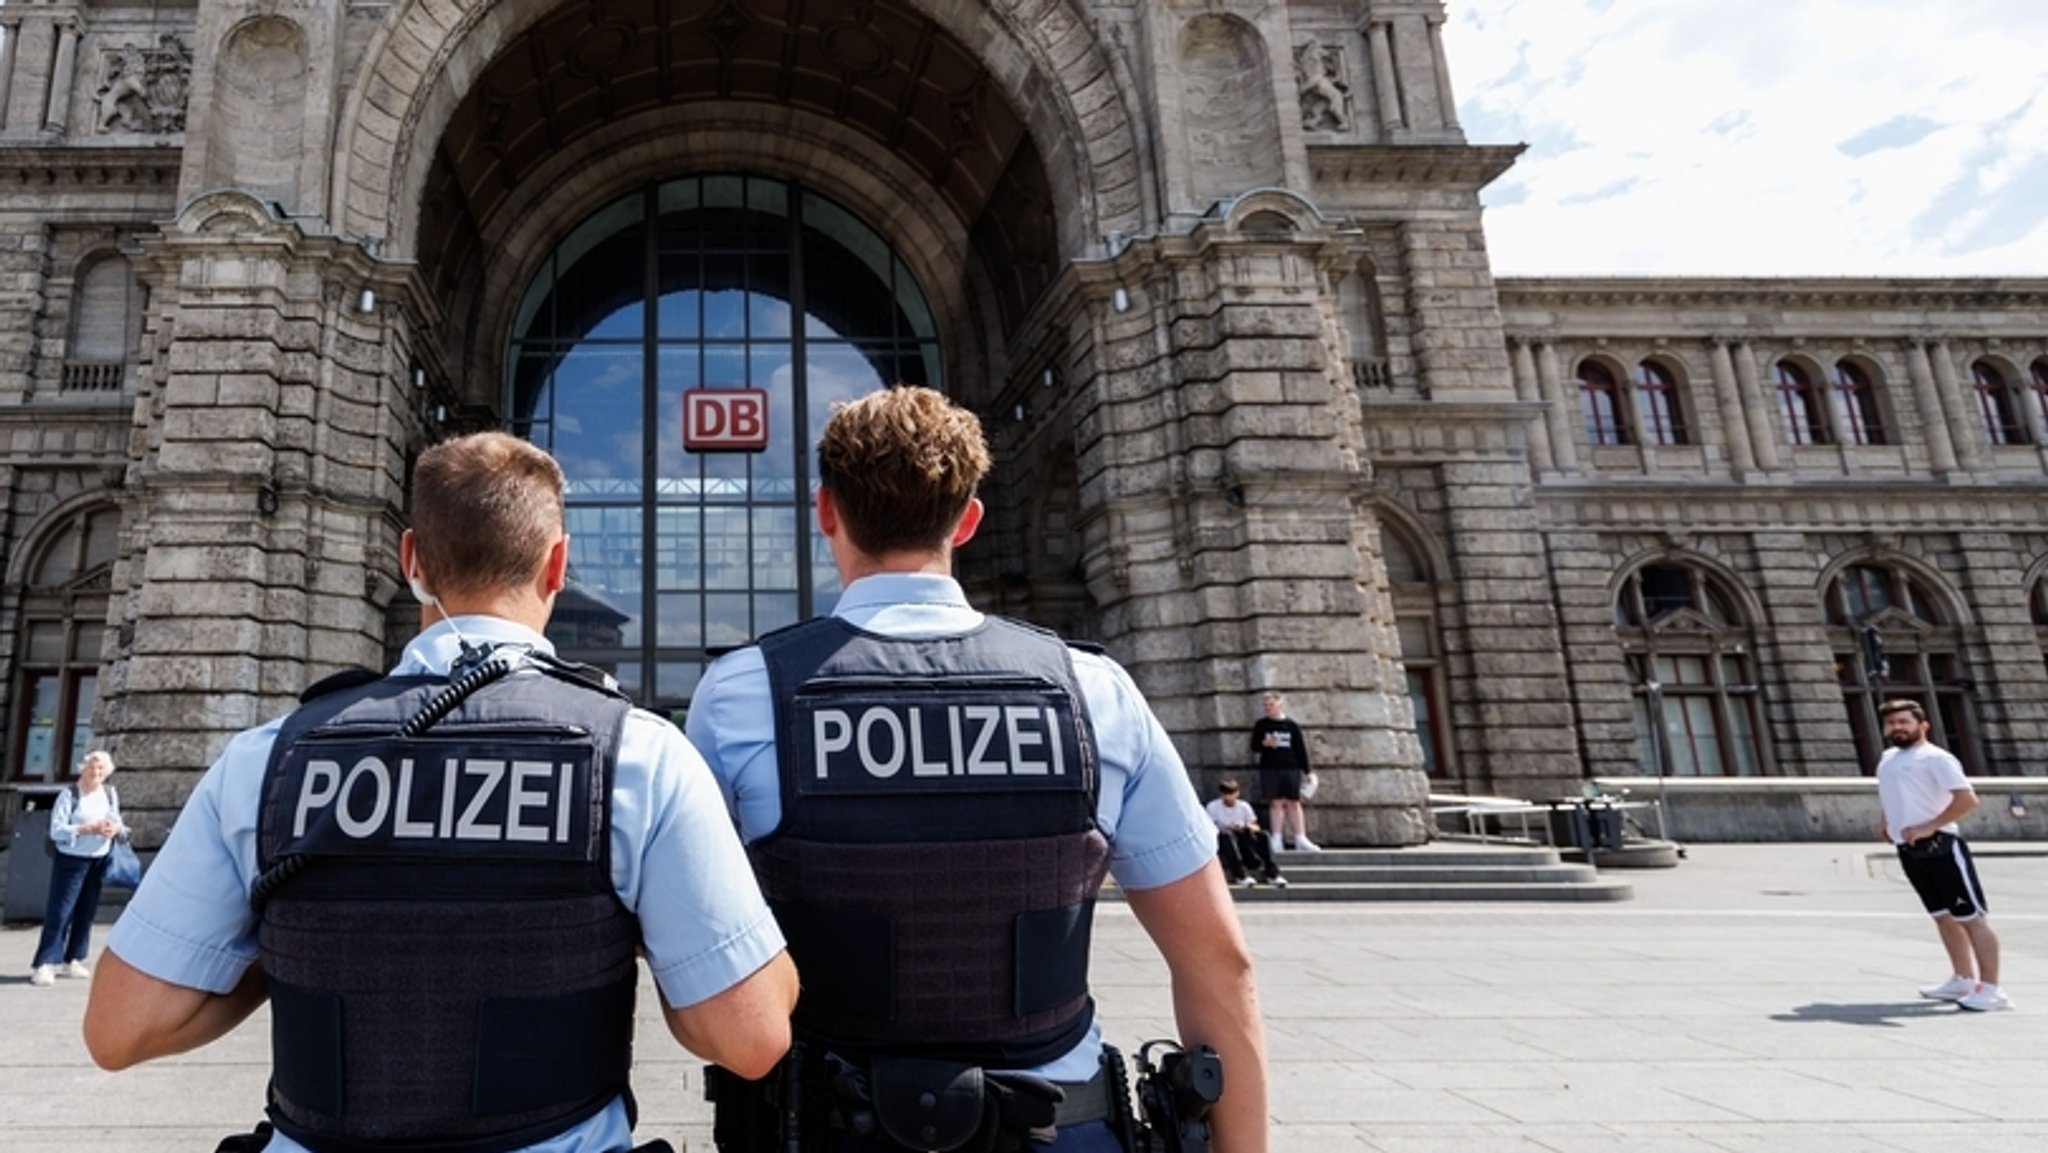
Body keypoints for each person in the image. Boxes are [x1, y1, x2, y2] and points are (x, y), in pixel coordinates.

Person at [84, 432, 800, 1152]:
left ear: (411, 561)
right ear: (558, 564)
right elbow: (752, 1037)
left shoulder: (267, 759)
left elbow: (120, 1028)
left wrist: (291, 939)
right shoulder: (638, 755)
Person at [687, 386, 1269, 1153]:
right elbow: (1219, 960)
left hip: (827, 1125)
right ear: (967, 520)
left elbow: (702, 961)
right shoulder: (1092, 690)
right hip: (1059, 1127)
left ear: (826, 511)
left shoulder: (742, 693)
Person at [1874, 699, 2011, 1012]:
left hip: (1942, 846)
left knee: (1972, 917)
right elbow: (1894, 794)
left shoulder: (1936, 758)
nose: (1897, 728)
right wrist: (1886, 821)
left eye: (1904, 722)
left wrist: (1930, 826)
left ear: (1923, 726)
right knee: (1942, 915)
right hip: (1908, 847)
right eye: (1891, 723)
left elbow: (1967, 799)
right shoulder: (1888, 758)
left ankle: (1992, 989)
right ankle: (1962, 979)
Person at [29, 750, 125, 987]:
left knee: (86, 911)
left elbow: (117, 821)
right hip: (71, 860)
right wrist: (87, 828)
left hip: (98, 858)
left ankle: (73, 958)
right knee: (61, 911)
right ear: (83, 769)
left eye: (101, 769)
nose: (96, 772)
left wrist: (115, 829)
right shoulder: (69, 795)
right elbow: (57, 830)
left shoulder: (110, 793)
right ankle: (45, 962)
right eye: (92, 767)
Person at [1250, 692, 1318, 851]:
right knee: (1276, 802)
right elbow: (1254, 746)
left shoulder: (1291, 725)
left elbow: (1300, 749)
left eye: (1271, 705)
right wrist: (1264, 744)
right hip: (1270, 767)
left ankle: (1300, 837)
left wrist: (1307, 771)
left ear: (1280, 705)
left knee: (1294, 802)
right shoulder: (1261, 725)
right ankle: (1276, 837)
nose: (1268, 708)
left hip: (1291, 767)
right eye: (1266, 705)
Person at [1207, 779, 1285, 888]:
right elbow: (1210, 827)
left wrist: (1246, 826)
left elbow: (1255, 826)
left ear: (1237, 793)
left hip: (1243, 837)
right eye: (1226, 794)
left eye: (1232, 793)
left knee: (1264, 835)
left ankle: (1272, 873)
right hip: (1224, 839)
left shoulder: (1244, 806)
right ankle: (1240, 874)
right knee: (1227, 837)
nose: (1229, 797)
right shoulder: (1213, 807)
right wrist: (1228, 828)